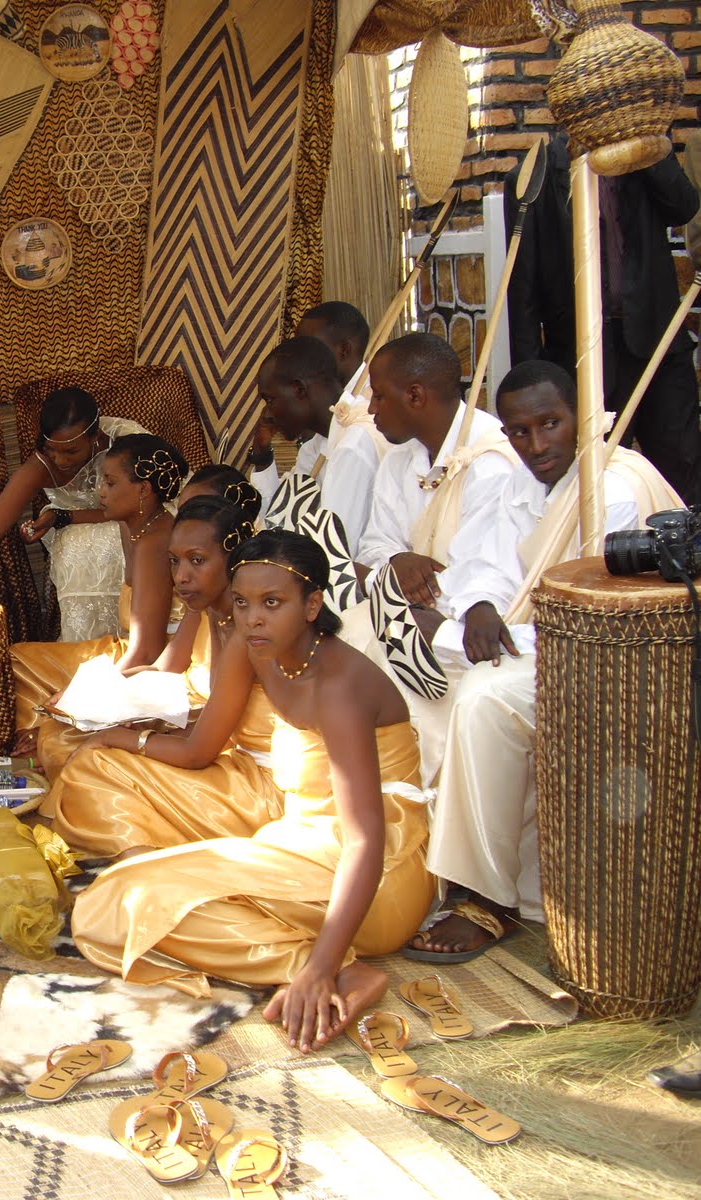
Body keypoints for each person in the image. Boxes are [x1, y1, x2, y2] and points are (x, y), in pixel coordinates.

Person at [71, 530, 433, 1052]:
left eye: (272, 603)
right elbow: (201, 748)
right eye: (241, 603)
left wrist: (323, 966)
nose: (252, 617)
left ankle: (328, 968)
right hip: (295, 840)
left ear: (312, 606)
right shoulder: (254, 646)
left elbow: (364, 844)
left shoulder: (341, 686)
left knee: (134, 897)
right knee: (111, 903)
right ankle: (308, 961)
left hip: (377, 880)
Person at [403, 363, 680, 962]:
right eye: (519, 432)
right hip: (543, 645)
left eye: (550, 425)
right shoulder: (525, 480)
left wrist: (474, 634)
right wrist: (477, 606)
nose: (535, 445)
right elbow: (486, 562)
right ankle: (421, 862)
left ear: (581, 417)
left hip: (623, 661)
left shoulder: (614, 488)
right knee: (415, 669)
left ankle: (487, 894)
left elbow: (605, 618)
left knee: (483, 699)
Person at [42, 492, 274, 859]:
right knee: (82, 749)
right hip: (228, 754)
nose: (181, 578)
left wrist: (122, 737)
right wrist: (134, 728)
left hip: (259, 787)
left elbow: (200, 751)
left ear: (234, 560)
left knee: (96, 764)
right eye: (174, 561)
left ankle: (137, 858)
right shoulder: (216, 610)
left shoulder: (249, 629)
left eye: (197, 561)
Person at [508, 133, 701, 505]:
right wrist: (532, 386)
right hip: (581, 360)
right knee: (588, 491)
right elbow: (523, 293)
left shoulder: (641, 155)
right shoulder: (536, 176)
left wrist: (646, 143)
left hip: (657, 348)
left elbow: (684, 206)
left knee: (683, 475)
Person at [9, 434, 186, 778]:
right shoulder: (134, 522)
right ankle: (46, 730)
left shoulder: (155, 544)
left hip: (156, 669)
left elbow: (148, 650)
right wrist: (59, 516)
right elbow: (97, 513)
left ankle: (49, 736)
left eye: (109, 482)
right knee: (22, 660)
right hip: (128, 651)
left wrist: (75, 699)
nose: (101, 492)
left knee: (61, 728)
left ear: (143, 490)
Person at [0, 387, 149, 641]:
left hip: (138, 521)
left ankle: (136, 636)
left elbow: (143, 508)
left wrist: (64, 517)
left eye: (71, 451)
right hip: (77, 531)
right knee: (76, 543)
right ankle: (86, 645)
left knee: (108, 539)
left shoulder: (124, 443)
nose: (60, 460)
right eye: (51, 449)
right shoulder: (42, 464)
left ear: (95, 437)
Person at [357, 333, 516, 604]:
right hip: (404, 616)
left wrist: (391, 583)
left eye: (379, 396)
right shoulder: (398, 459)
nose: (371, 409)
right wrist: (399, 560)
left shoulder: (491, 462)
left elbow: (477, 579)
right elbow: (372, 548)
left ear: (415, 396)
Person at [247, 335, 384, 555]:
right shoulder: (318, 443)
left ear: (300, 390)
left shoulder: (353, 445)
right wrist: (262, 454)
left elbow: (332, 551)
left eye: (270, 400)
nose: (268, 414)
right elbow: (280, 517)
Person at [296, 300, 373, 393]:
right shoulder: (317, 395)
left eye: (311, 349)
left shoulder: (373, 399)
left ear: (344, 350)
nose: (300, 359)